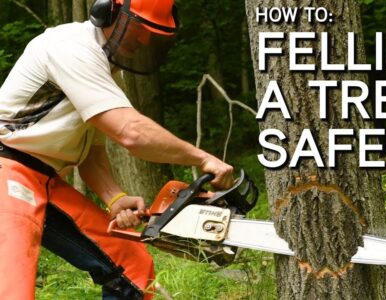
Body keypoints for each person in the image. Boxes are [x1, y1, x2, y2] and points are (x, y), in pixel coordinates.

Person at [0, 0, 234, 299]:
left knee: (131, 264)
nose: (143, 40)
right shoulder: (70, 48)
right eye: (138, 29)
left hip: (43, 180)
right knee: (11, 287)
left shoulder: (106, 68)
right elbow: (131, 132)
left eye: (152, 35)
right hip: (7, 167)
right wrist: (203, 158)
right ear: (107, 12)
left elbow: (91, 151)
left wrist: (115, 197)